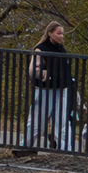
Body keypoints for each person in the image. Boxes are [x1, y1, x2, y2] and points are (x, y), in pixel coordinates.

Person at [25, 22, 74, 152]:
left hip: (61, 88)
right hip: (44, 90)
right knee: (36, 123)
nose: (61, 36)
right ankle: (25, 145)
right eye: (58, 33)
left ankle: (66, 150)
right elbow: (33, 69)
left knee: (62, 123)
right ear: (50, 33)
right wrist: (44, 75)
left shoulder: (61, 49)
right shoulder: (41, 49)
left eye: (62, 33)